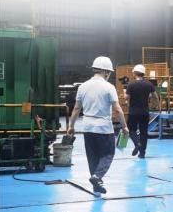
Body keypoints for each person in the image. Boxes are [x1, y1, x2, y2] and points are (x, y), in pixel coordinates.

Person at [67, 56, 129, 195]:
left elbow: (76, 108)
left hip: (87, 128)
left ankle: (96, 189)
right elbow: (117, 109)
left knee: (93, 157)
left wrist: (71, 126)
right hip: (104, 128)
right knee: (108, 154)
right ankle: (97, 177)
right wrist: (124, 126)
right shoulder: (109, 87)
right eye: (109, 73)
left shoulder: (83, 86)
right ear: (105, 71)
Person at [124, 64, 157, 159]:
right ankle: (142, 153)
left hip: (133, 112)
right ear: (143, 73)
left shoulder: (131, 84)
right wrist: (156, 106)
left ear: (135, 73)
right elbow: (155, 96)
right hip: (145, 112)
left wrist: (125, 94)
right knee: (143, 133)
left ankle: (137, 143)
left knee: (131, 130)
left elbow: (126, 97)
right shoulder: (149, 84)